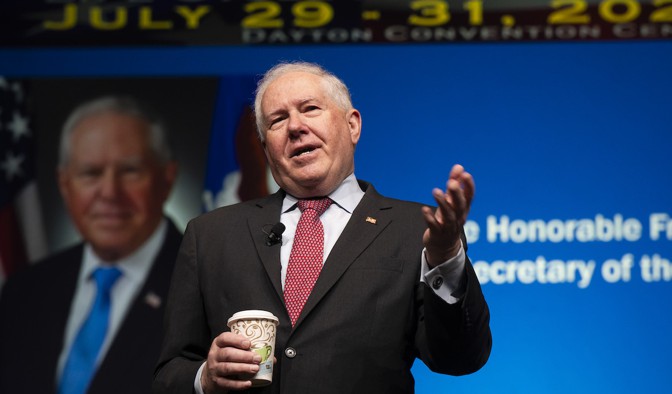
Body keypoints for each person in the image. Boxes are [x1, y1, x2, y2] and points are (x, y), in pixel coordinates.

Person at [153, 61, 491, 393]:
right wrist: (204, 379)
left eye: (310, 109)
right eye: (278, 119)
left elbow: (460, 358)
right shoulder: (210, 234)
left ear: (353, 125)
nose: (295, 127)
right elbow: (170, 373)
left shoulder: (416, 230)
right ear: (266, 148)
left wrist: (445, 258)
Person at [0, 96, 182, 394]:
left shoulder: (208, 287)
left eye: (129, 171)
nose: (110, 192)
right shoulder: (24, 291)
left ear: (167, 179)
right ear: (64, 184)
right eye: (91, 173)